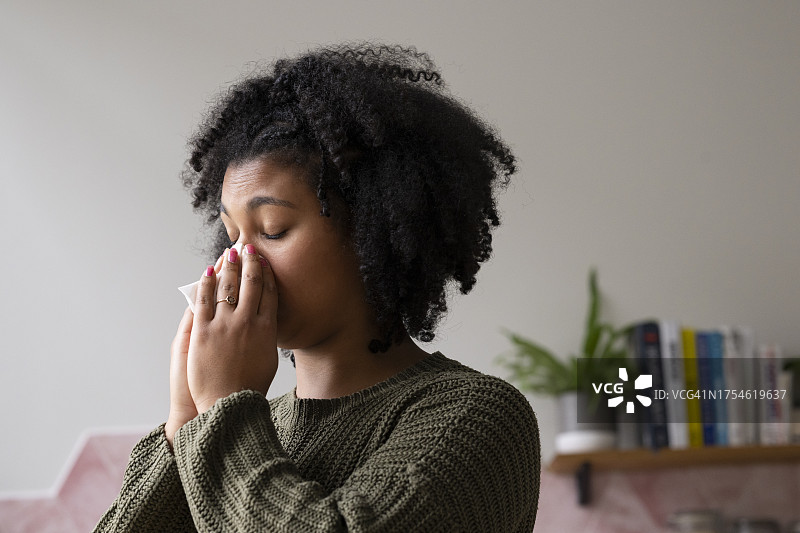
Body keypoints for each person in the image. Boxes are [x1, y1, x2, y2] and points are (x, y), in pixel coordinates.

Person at [95, 43, 540, 532]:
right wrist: (184, 424)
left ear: (372, 231)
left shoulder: (475, 417)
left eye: (273, 229)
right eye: (231, 236)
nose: (238, 261)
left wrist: (221, 411)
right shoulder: (243, 425)